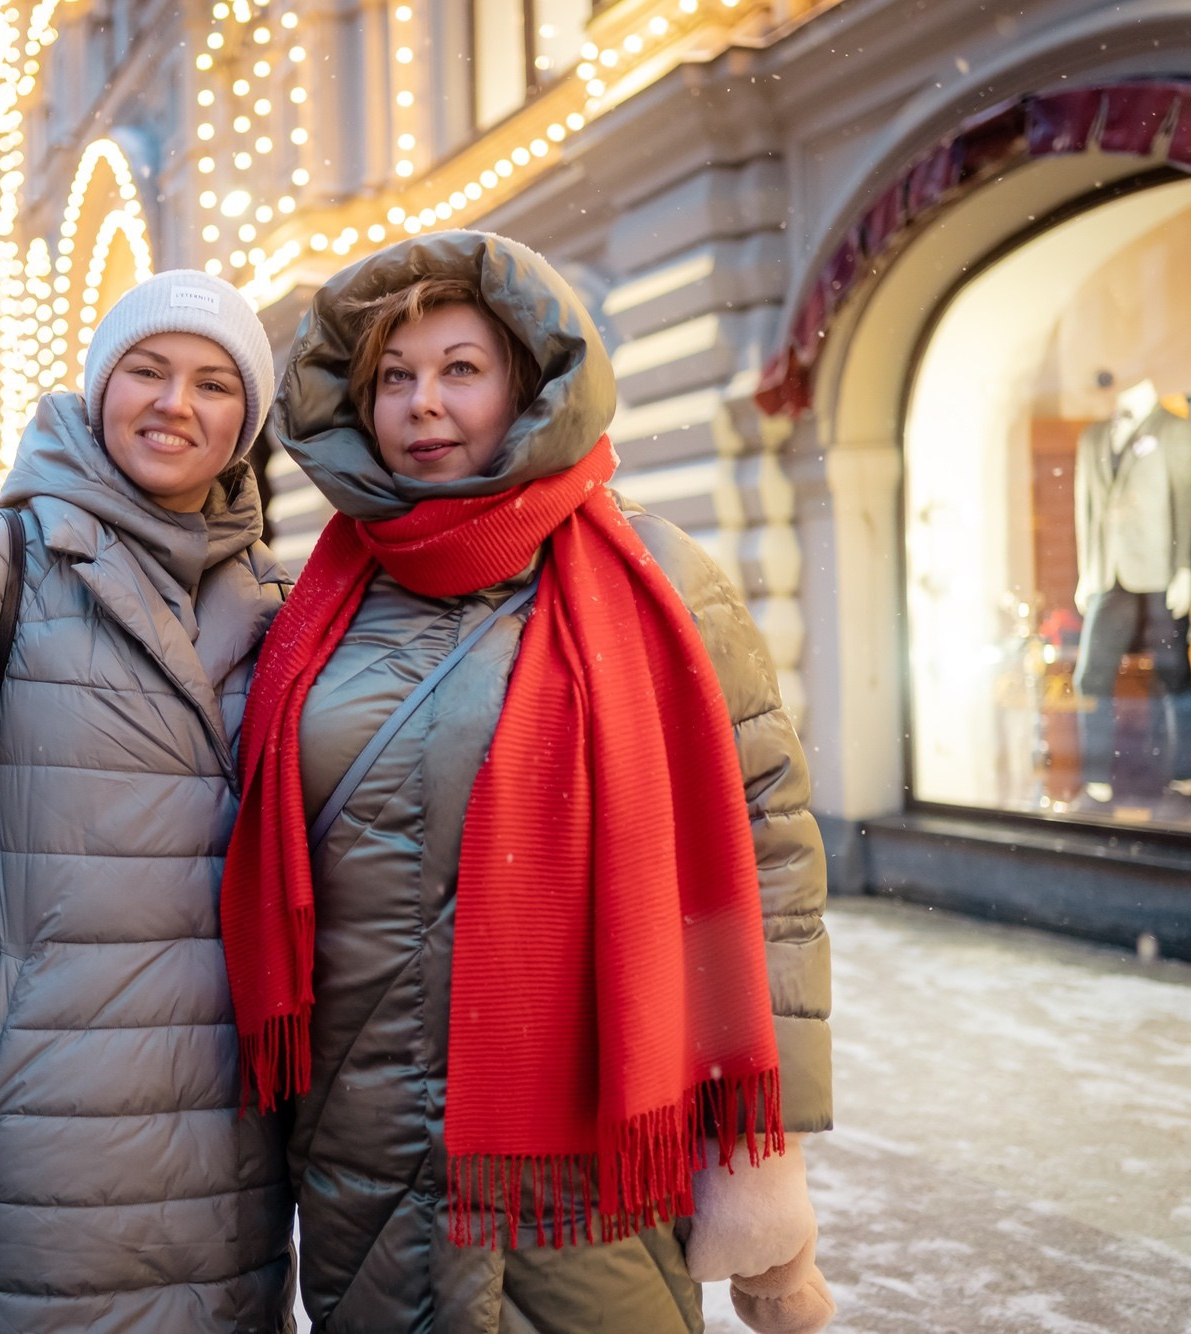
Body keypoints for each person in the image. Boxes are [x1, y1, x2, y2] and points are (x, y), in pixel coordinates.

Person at [222, 232, 834, 1333]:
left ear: (525, 384)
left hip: (594, 1151)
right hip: (364, 1146)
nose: (423, 403)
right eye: (393, 379)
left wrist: (760, 1138)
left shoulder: (655, 575)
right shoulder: (315, 602)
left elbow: (768, 858)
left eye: (460, 368)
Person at [0, 270, 294, 1331]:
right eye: (148, 370)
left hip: (231, 1150)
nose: (177, 402)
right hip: (33, 1128)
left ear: (244, 421)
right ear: (96, 389)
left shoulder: (280, 602)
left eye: (214, 383)